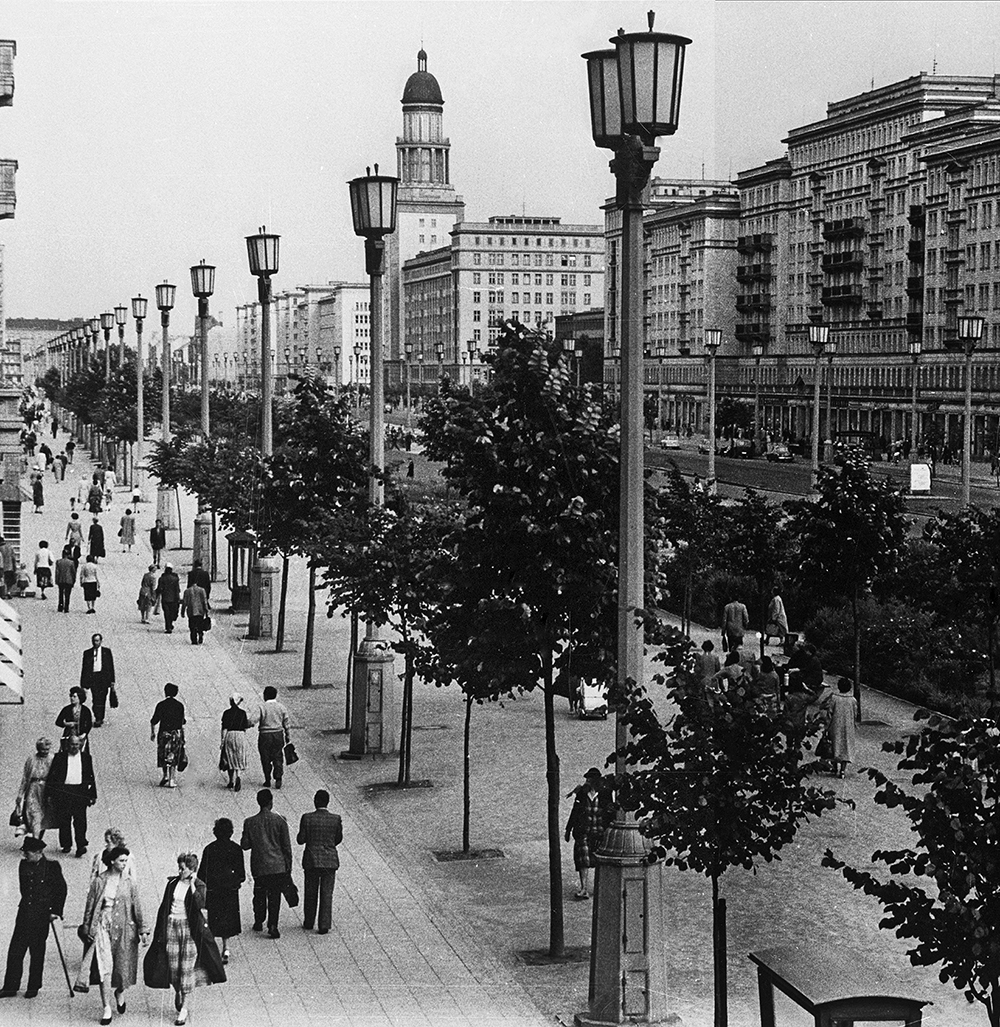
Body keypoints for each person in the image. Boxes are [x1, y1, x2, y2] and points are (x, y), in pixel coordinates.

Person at [144, 852, 226, 1026]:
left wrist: (193, 885)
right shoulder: (173, 883)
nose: (180, 871)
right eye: (179, 868)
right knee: (173, 969)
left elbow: (200, 904)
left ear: (192, 869)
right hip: (172, 927)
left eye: (183, 869)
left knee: (186, 969)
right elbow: (164, 907)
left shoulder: (199, 885)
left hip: (189, 931)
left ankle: (184, 1009)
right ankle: (178, 991)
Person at [80, 846, 149, 1025]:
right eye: (121, 861)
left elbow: (137, 906)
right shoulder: (99, 881)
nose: (125, 864)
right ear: (112, 861)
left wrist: (143, 929)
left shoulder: (129, 882)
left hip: (124, 928)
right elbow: (89, 906)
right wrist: (87, 926)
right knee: (105, 967)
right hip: (103, 926)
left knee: (122, 965)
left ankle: (120, 991)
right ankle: (106, 1008)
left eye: (126, 861)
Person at [0, 837, 67, 999]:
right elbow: (25, 889)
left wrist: (55, 911)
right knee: (15, 951)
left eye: (27, 852)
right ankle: (10, 986)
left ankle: (33, 986)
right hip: (24, 913)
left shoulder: (52, 867)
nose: (24, 855)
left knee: (37, 952)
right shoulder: (23, 865)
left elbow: (61, 890)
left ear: (38, 852)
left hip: (41, 915)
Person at [240, 789, 292, 939]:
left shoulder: (250, 822)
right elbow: (286, 847)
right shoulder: (280, 821)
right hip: (277, 866)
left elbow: (245, 845)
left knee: (259, 894)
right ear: (271, 802)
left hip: (259, 866)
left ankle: (258, 920)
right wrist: (288, 866)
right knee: (275, 896)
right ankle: (273, 925)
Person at [198, 819, 245, 965]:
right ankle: (226, 947)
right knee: (228, 919)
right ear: (231, 832)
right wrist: (235, 882)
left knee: (215, 919)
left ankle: (212, 950)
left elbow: (202, 874)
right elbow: (241, 874)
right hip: (230, 891)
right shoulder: (236, 849)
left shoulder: (209, 849)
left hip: (214, 890)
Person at [296, 790, 343, 935]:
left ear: (315, 801)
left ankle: (309, 921)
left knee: (311, 891)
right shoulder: (336, 819)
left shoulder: (307, 818)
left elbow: (300, 839)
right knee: (327, 892)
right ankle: (324, 924)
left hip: (312, 859)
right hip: (329, 860)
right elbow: (338, 838)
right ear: (327, 802)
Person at [564, 768, 613, 899]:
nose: (587, 782)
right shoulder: (582, 794)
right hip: (583, 832)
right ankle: (584, 888)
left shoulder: (605, 793)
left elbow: (610, 812)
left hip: (600, 833)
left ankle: (600, 888)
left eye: (590, 779)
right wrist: (568, 830)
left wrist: (610, 830)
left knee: (600, 860)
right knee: (583, 860)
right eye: (587, 779)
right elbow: (575, 812)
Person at [46, 734, 98, 857]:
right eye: (72, 744)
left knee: (80, 820)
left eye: (76, 744)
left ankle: (81, 845)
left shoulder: (86, 758)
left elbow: (90, 776)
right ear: (67, 745)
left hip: (80, 792)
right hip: (64, 792)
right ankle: (66, 843)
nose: (74, 747)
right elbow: (52, 777)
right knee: (64, 819)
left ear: (80, 745)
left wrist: (92, 794)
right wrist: (50, 794)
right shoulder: (59, 757)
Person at [13, 738, 56, 840]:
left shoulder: (52, 758)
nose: (45, 752)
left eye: (47, 749)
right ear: (38, 749)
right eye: (43, 749)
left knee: (43, 815)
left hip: (45, 789)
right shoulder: (31, 759)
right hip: (33, 788)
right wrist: (20, 794)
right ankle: (34, 838)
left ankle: (37, 839)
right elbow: (25, 777)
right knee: (32, 812)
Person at [251, 686, 292, 789]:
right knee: (278, 756)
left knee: (265, 757)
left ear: (265, 696)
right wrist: (288, 736)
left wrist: (244, 724)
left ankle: (267, 779)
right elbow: (286, 723)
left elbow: (253, 721)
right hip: (278, 734)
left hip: (265, 735)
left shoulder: (261, 707)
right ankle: (278, 777)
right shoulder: (281, 707)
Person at [150, 683, 186, 789]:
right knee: (173, 755)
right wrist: (183, 737)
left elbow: (154, 720)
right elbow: (182, 722)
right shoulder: (180, 705)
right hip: (175, 734)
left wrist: (152, 733)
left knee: (163, 754)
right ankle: (172, 779)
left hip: (163, 733)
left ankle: (165, 775)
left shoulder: (161, 705)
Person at [81, 633, 116, 728]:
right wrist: (83, 684)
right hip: (93, 678)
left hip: (103, 678)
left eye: (97, 641)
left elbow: (111, 666)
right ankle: (97, 714)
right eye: (94, 641)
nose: (95, 642)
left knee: (102, 698)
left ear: (101, 641)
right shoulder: (87, 653)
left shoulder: (106, 652)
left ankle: (100, 717)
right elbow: (84, 668)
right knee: (95, 698)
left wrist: (112, 681)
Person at [826, 677, 858, 778]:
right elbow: (855, 713)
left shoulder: (834, 698)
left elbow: (829, 712)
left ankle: (835, 767)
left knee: (835, 744)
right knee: (846, 746)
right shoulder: (852, 700)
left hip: (836, 725)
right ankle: (843, 770)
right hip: (848, 726)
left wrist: (827, 724)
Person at [220, 693, 249, 792]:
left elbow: (224, 728)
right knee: (239, 756)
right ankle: (238, 776)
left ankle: (231, 781)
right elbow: (245, 726)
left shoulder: (226, 713)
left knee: (230, 757)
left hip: (230, 735)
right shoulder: (243, 713)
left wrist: (222, 741)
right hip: (240, 735)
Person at [181, 578, 210, 645]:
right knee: (200, 624)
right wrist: (206, 610)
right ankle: (200, 634)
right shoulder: (202, 590)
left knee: (192, 626)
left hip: (191, 611)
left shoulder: (187, 591)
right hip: (200, 611)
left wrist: (182, 612)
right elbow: (204, 601)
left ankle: (194, 639)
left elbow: (184, 602)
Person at [157, 563, 181, 634]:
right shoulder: (175, 579)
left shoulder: (162, 579)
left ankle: (168, 627)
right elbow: (177, 589)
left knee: (166, 613)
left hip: (165, 598)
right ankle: (170, 624)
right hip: (174, 599)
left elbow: (159, 589)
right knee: (172, 612)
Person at [54, 545, 76, 612]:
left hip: (61, 579)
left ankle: (60, 606)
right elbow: (73, 572)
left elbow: (57, 572)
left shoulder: (59, 562)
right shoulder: (71, 562)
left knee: (61, 594)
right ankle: (66, 607)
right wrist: (74, 580)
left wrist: (56, 580)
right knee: (67, 594)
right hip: (69, 580)